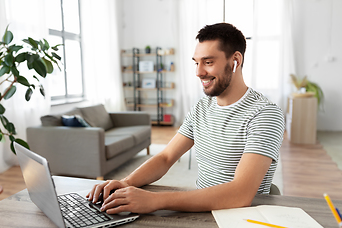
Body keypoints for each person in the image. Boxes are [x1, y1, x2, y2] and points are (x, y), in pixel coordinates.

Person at [86, 23, 285, 214]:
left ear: (236, 60)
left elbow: (240, 195)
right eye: (197, 63)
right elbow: (165, 158)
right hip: (201, 211)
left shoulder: (264, 114)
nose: (199, 72)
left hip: (241, 218)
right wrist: (126, 182)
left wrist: (155, 201)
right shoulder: (201, 108)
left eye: (208, 62)